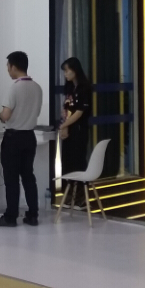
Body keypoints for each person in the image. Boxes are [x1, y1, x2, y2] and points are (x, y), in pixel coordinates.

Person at [0, 51, 43, 228]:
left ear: (13, 66)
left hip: (13, 138)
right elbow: (36, 112)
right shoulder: (37, 87)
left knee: (11, 178)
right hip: (29, 137)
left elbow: (6, 115)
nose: (7, 70)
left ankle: (11, 216)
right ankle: (33, 215)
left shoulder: (14, 88)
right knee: (28, 176)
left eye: (8, 66)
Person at [59, 57, 92, 210]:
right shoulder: (70, 88)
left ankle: (82, 198)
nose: (65, 74)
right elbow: (66, 108)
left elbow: (79, 112)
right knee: (67, 162)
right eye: (64, 71)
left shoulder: (84, 88)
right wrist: (64, 126)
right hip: (68, 129)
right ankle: (68, 196)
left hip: (79, 130)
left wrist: (64, 125)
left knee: (78, 162)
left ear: (75, 70)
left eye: (67, 70)